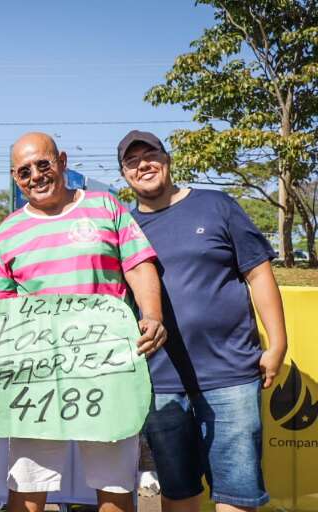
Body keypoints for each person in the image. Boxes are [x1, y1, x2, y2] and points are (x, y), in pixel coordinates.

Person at [0, 132, 167, 512]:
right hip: (36, 380)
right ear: (16, 178)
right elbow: (3, 312)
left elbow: (138, 264)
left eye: (43, 164)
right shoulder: (9, 231)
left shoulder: (106, 206)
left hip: (106, 372)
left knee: (115, 489)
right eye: (24, 171)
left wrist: (152, 315)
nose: (35, 175)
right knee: (28, 487)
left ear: (62, 161)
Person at [117, 130, 287, 512]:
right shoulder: (123, 229)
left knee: (237, 496)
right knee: (178, 494)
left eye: (150, 155)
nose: (143, 165)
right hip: (159, 381)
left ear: (167, 158)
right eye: (132, 161)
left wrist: (277, 344)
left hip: (231, 374)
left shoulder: (217, 205)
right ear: (125, 173)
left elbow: (258, 273)